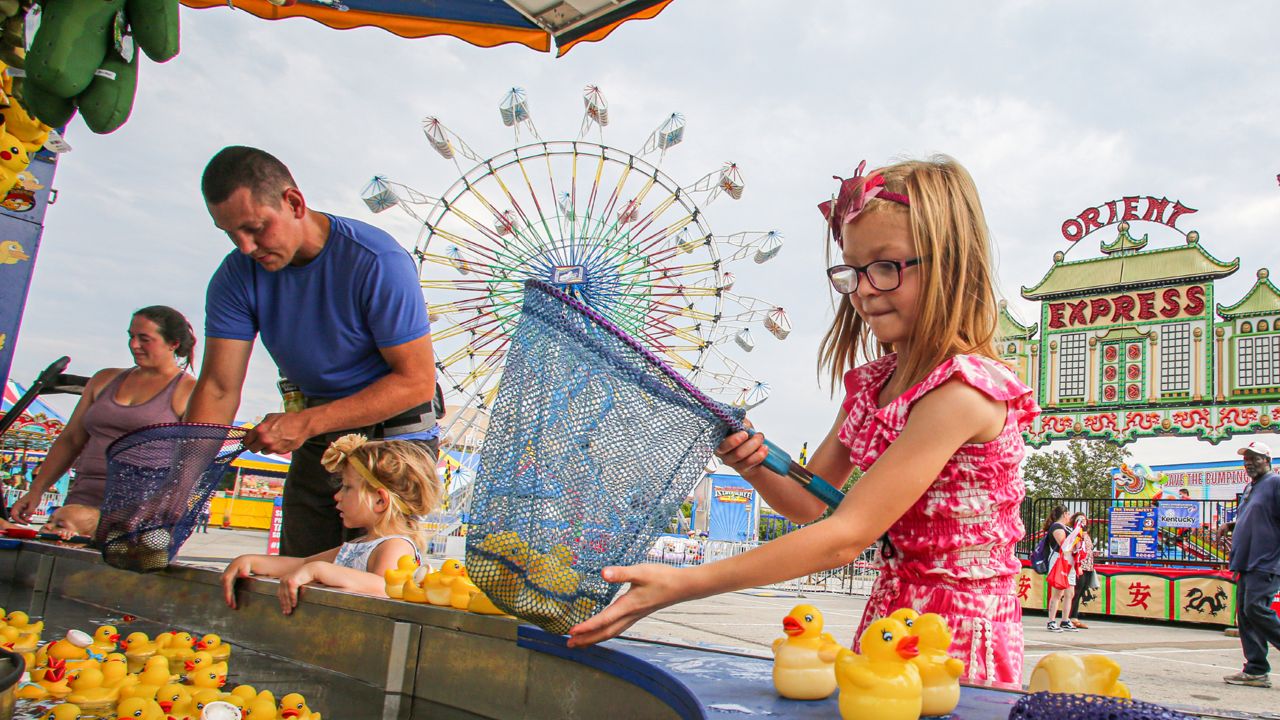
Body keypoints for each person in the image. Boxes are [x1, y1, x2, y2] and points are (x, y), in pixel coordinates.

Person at [567, 156, 1039, 685]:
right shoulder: (872, 385)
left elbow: (845, 536)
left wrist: (684, 584)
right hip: (891, 619)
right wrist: (753, 463)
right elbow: (809, 501)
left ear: (951, 263)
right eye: (853, 272)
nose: (863, 290)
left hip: (952, 638)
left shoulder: (961, 392)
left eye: (886, 267)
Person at [185, 146, 438, 559]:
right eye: (231, 234)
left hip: (393, 430)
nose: (246, 247)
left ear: (294, 203)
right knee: (296, 564)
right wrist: (185, 479)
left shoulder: (377, 261)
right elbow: (216, 387)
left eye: (256, 228)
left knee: (374, 565)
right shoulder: (235, 277)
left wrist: (305, 424)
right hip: (316, 425)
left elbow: (415, 382)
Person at [8, 307, 197, 537]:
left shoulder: (188, 390)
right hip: (81, 501)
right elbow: (71, 440)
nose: (134, 345)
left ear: (173, 343)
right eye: (131, 336)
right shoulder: (104, 379)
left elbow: (192, 460)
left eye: (145, 339)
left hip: (139, 508)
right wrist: (36, 489)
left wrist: (165, 508)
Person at [220, 434, 441, 615]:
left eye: (347, 487)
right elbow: (302, 563)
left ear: (380, 500)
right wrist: (251, 561)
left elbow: (388, 588)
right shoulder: (361, 544)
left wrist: (320, 570)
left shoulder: (396, 546)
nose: (337, 496)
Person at [1222, 441, 1280, 689]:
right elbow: (1254, 515)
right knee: (1245, 614)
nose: (1249, 462)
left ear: (1267, 460)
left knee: (1256, 608)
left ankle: (1257, 668)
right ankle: (1255, 669)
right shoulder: (1251, 487)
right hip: (1246, 561)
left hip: (1266, 561)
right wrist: (1231, 525)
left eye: (1255, 458)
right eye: (1246, 458)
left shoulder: (1275, 483)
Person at [1041, 505, 1078, 633]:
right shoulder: (1057, 527)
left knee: (1070, 592)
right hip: (1060, 561)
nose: (1069, 517)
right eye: (1068, 514)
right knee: (1058, 592)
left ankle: (1065, 620)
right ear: (1064, 514)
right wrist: (1075, 540)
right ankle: (1051, 621)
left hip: (1069, 562)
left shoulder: (1067, 527)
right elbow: (1064, 544)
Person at [1066, 511, 1096, 629]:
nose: (1083, 522)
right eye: (1080, 520)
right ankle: (1071, 617)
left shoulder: (1086, 534)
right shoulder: (1075, 533)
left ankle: (1073, 616)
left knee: (1081, 590)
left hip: (1088, 565)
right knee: (1076, 591)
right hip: (1079, 565)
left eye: (1084, 520)